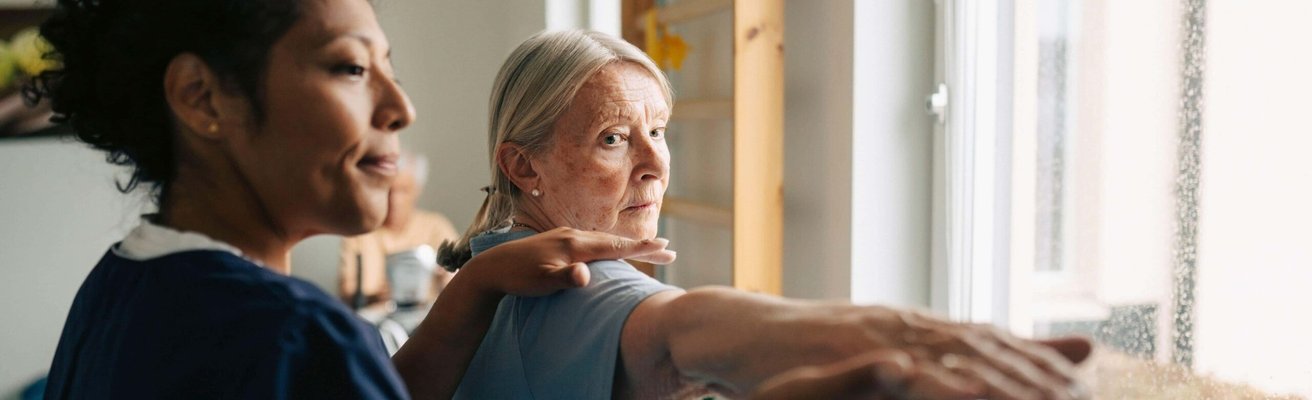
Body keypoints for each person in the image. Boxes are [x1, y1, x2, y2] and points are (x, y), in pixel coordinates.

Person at [31, 1, 676, 399]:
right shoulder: (290, 337)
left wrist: (473, 286)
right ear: (202, 97)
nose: (401, 108)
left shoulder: (121, 283)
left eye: (389, 69)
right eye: (350, 68)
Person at [439, 30, 1094, 400]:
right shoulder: (574, 287)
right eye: (613, 138)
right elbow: (682, 328)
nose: (655, 165)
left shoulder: (492, 261)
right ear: (523, 167)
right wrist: (904, 336)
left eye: (658, 131)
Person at [338, 150, 459, 307]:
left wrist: (447, 282)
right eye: (388, 190)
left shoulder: (436, 227)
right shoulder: (359, 232)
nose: (394, 200)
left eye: (403, 191)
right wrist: (376, 297)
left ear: (417, 190)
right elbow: (348, 295)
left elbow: (460, 279)